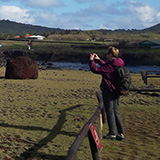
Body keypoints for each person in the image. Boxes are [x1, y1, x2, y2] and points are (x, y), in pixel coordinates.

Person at [89, 46, 124, 141]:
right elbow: (106, 67)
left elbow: (95, 70)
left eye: (107, 53)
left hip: (109, 90)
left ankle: (112, 133)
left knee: (109, 111)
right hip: (116, 90)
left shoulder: (111, 65)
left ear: (110, 54)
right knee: (115, 111)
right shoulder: (117, 63)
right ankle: (120, 133)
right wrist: (99, 60)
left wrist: (91, 61)